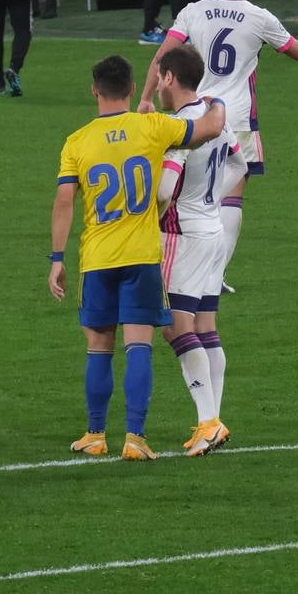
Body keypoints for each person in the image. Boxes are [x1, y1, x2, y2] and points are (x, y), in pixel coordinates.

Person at [137, 0, 298, 289]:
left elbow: (163, 55)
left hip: (194, 116)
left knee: (183, 191)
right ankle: (214, 274)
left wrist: (144, 98)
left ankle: (177, 262)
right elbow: (297, 50)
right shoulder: (258, 17)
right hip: (236, 120)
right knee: (231, 197)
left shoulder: (193, 11)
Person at [49, 54, 226, 461]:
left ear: (94, 90)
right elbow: (209, 128)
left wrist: (57, 257)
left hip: (97, 257)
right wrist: (217, 102)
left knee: (98, 347)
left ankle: (95, 434)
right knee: (139, 347)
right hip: (143, 256)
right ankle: (135, 437)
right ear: (132, 89)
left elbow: (64, 201)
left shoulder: (77, 141)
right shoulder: (153, 126)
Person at [153, 45, 245, 456]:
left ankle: (208, 421)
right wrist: (210, 202)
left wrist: (153, 216)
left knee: (174, 325)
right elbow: (240, 167)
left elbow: (165, 190)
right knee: (205, 328)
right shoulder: (216, 121)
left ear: (170, 77)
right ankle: (214, 421)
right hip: (212, 231)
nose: (156, 82)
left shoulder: (179, 128)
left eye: (159, 75)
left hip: (182, 235)